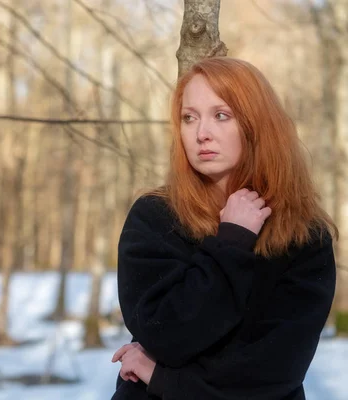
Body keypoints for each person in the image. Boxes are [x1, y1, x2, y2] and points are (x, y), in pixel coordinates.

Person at [109, 57, 337, 400]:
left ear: (255, 125)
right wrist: (232, 241)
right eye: (189, 118)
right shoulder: (155, 218)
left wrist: (159, 376)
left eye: (221, 115)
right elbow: (167, 333)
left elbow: (272, 371)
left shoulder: (304, 235)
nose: (202, 133)